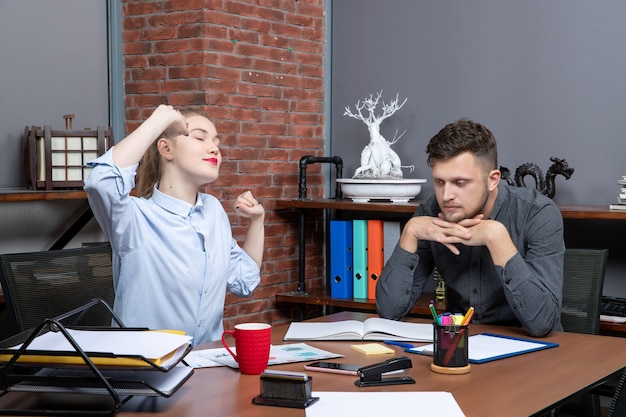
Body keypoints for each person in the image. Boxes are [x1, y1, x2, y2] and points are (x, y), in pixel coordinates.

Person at [84, 104, 265, 345]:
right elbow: (101, 182)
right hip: (147, 371)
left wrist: (257, 221)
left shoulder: (213, 211)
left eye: (217, 143)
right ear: (166, 148)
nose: (214, 148)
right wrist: (160, 119)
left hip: (204, 366)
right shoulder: (134, 218)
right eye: (200, 137)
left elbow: (245, 281)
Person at [375, 118, 564, 337]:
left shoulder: (538, 213)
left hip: (535, 353)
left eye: (460, 183)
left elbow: (543, 323)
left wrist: (497, 238)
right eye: (439, 182)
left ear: (493, 180)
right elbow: (388, 311)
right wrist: (410, 232)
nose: (446, 196)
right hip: (460, 346)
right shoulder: (430, 213)